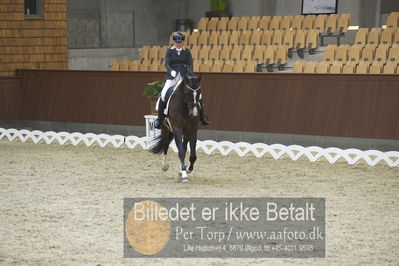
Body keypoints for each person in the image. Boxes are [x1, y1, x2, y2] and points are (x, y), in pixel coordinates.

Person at [154, 31, 210, 129]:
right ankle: (160, 119)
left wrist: (190, 73)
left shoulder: (186, 51)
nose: (178, 44)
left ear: (182, 42)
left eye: (180, 42)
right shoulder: (169, 51)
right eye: (177, 42)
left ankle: (202, 117)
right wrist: (171, 71)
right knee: (163, 94)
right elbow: (167, 64)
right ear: (174, 42)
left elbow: (190, 64)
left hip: (184, 76)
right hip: (172, 76)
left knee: (198, 94)